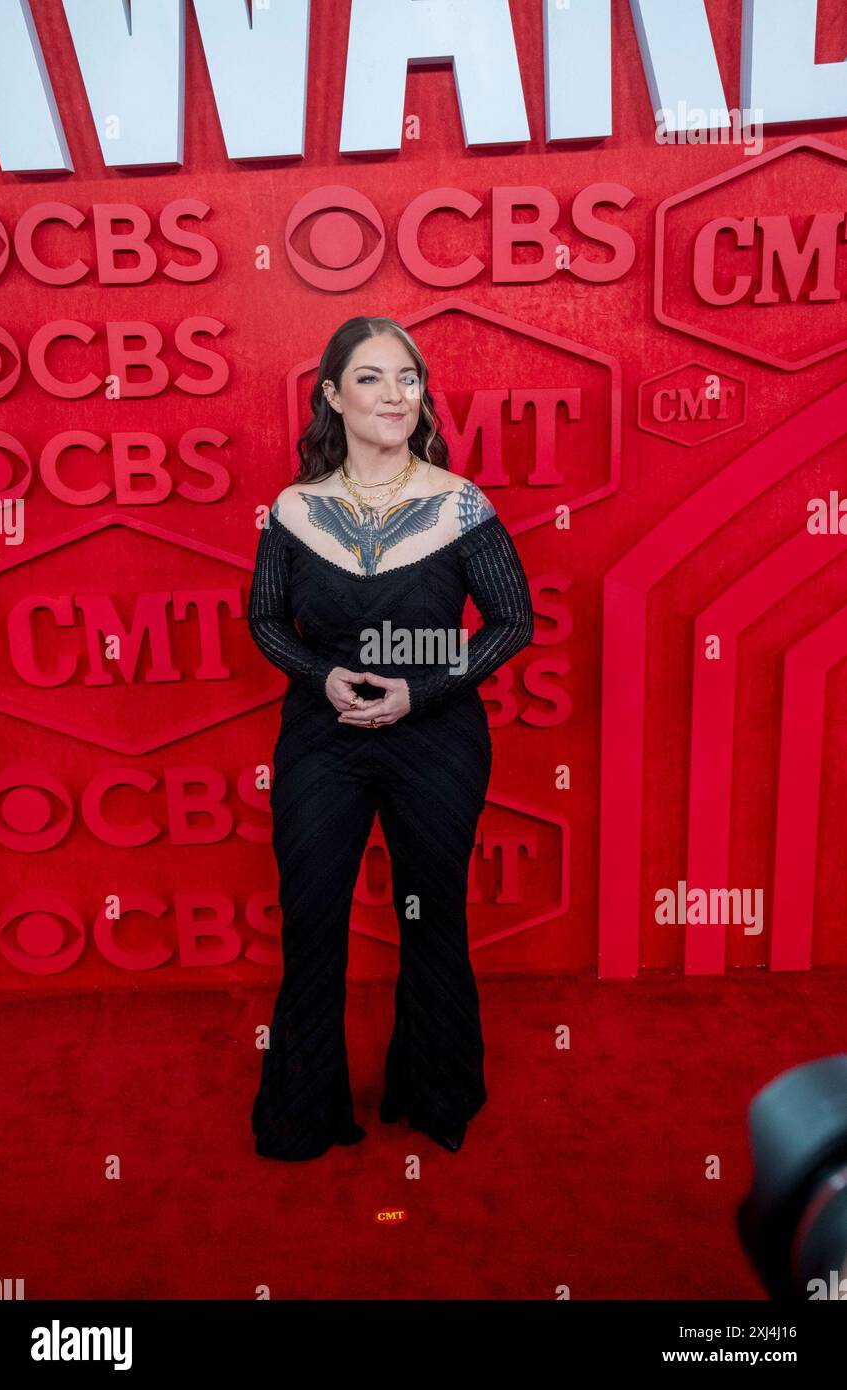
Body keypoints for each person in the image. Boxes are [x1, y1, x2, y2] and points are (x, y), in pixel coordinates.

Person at [247, 315, 534, 1160]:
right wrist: (320, 677)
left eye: (408, 378)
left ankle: (437, 1093)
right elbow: (264, 619)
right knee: (312, 921)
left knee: (432, 915)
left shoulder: (458, 501)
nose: (395, 394)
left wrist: (420, 688)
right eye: (371, 378)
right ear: (333, 395)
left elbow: (512, 621)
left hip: (436, 738)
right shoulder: (294, 510)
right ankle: (304, 1112)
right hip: (321, 735)